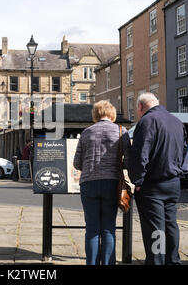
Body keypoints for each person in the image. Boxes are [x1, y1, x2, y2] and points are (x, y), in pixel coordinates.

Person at [129, 93, 188, 265]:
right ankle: (173, 261)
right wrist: (180, 173)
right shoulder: (176, 121)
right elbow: (183, 152)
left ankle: (156, 262)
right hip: (173, 183)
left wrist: (137, 181)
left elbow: (141, 155)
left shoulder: (147, 121)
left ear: (140, 107)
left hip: (152, 185)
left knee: (155, 228)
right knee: (170, 225)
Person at [73, 100, 131, 265]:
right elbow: (128, 161)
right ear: (112, 114)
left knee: (91, 228)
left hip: (89, 183)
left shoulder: (86, 132)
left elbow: (77, 163)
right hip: (112, 183)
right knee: (108, 227)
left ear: (95, 114)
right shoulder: (121, 131)